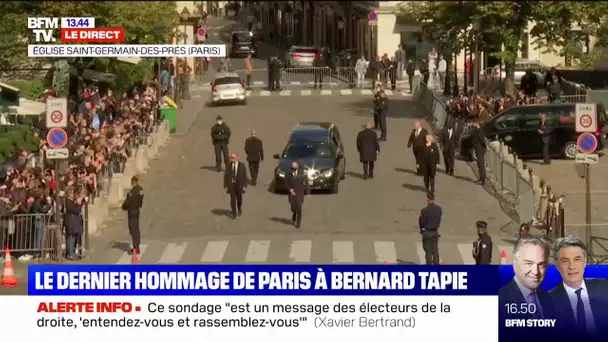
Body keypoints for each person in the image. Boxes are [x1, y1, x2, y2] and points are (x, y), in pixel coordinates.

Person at [550, 236, 608, 336]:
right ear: (557, 266)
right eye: (565, 261)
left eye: (577, 259)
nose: (571, 266)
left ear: (585, 262)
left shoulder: (604, 287)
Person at [498, 236, 554, 318]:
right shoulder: (499, 300)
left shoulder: (548, 298)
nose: (536, 272)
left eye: (541, 264)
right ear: (515, 263)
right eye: (528, 263)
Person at [121, 176, 144, 258]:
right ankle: (137, 246)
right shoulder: (141, 189)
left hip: (131, 212)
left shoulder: (132, 192)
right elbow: (141, 200)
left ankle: (135, 247)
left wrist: (123, 207)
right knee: (137, 229)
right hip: (137, 211)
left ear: (133, 182)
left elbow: (127, 202)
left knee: (133, 230)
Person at [418, 192, 442, 265]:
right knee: (435, 251)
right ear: (434, 199)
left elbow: (421, 222)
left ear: (427, 199)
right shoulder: (439, 209)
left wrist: (422, 229)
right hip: (435, 232)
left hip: (427, 233)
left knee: (428, 252)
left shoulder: (425, 210)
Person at [223, 152, 247, 219]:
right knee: (232, 200)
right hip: (231, 185)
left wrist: (244, 185)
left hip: (239, 185)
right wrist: (225, 185)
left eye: (233, 157)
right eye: (231, 157)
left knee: (239, 199)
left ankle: (239, 208)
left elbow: (245, 176)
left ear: (236, 158)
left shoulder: (242, 166)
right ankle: (234, 213)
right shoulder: (228, 165)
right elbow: (226, 176)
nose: (232, 159)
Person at [285, 160, 308, 228]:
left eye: (294, 167)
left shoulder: (302, 173)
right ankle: (294, 213)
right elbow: (286, 183)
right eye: (292, 167)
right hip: (292, 193)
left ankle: (298, 223)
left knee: (299, 207)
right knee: (293, 207)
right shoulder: (289, 173)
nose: (293, 169)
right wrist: (290, 189)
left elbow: (306, 182)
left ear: (297, 166)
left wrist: (307, 191)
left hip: (299, 193)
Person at [63, 189, 84, 260]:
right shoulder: (68, 201)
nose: (73, 195)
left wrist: (81, 202)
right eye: (72, 193)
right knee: (71, 238)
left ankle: (71, 253)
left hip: (73, 222)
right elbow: (77, 210)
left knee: (73, 237)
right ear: (69, 194)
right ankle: (70, 254)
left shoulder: (71, 201)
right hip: (71, 221)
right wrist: (78, 204)